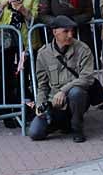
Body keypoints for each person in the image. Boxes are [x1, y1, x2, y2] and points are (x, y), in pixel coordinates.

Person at [29, 15, 96, 143]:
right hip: (54, 103)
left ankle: (77, 128)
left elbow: (87, 78)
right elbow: (42, 85)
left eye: (72, 31)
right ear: (54, 32)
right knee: (35, 133)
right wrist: (40, 107)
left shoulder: (82, 49)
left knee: (76, 92)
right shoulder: (44, 54)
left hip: (75, 99)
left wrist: (63, 91)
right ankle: (62, 124)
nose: (70, 35)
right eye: (65, 31)